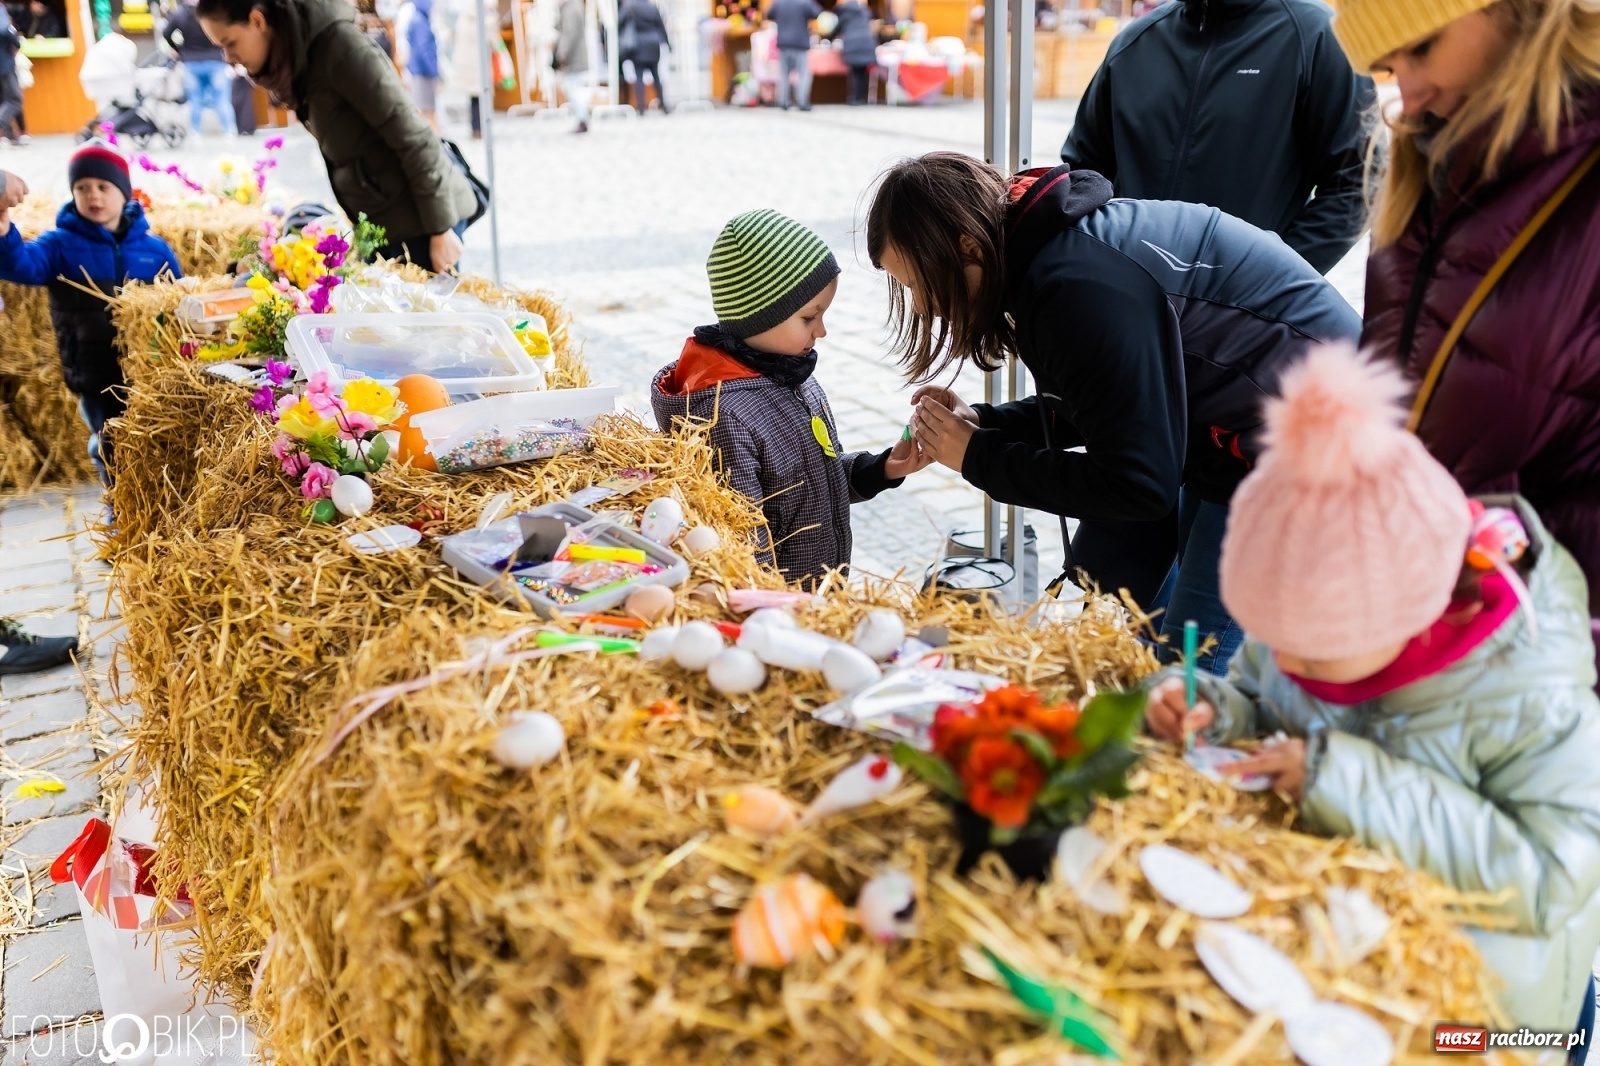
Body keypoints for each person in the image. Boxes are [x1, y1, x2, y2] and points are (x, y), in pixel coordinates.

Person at [1146, 344, 1600, 1057]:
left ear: (1407, 617)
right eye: (1272, 638)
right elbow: (1264, 703)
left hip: (1488, 1016)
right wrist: (1203, 705)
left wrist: (1339, 779)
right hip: (1359, 967)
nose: (1285, 662)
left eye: (1310, 651)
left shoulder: (1529, 690)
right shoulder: (1319, 632)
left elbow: (1553, 877)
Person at [868, 152, 1360, 673]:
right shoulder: (1054, 253)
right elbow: (1112, 403)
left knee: (1188, 668)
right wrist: (989, 424)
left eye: (917, 283)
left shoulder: (1075, 286)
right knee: (1159, 630)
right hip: (1238, 437)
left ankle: (1189, 745)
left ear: (967, 247)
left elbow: (1138, 483)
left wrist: (979, 457)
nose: (919, 306)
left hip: (1312, 440)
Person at [1330, 1, 1600, 655]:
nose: (1407, 92)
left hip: (1553, 657)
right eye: (1389, 65)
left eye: (1422, 47)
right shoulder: (1427, 166)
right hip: (1443, 635)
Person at [651, 210, 930, 586]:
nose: (823, 330)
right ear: (758, 317)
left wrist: (881, 469)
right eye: (809, 317)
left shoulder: (793, 378)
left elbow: (814, 484)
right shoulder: (725, 418)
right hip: (780, 611)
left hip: (821, 596)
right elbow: (747, 547)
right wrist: (782, 613)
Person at [1059, 0, 1376, 276]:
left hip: (1247, 320)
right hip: (1127, 305)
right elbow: (1082, 177)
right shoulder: (1134, 43)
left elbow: (1359, 183)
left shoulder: (1317, 34)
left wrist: (1272, 279)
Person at [197, 0, 479, 273]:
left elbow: (413, 134)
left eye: (229, 42)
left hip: (422, 222)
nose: (228, 57)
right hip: (387, 223)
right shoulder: (302, 58)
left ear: (258, 21)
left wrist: (440, 230)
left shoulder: (339, 48)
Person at [0, 147, 182, 488]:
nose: (93, 195)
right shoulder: (59, 245)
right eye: (82, 187)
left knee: (158, 443)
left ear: (123, 193)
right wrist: (4, 234)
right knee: (111, 442)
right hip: (94, 369)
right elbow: (19, 266)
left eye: (103, 186)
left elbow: (181, 301)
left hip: (150, 371)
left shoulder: (154, 250)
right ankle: (120, 509)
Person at [164, 0, 239, 136]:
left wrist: (179, 50)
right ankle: (229, 131)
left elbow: (166, 32)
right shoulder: (213, 11)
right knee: (222, 99)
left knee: (195, 100)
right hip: (216, 60)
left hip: (192, 61)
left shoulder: (180, 13)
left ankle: (195, 133)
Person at [618, 0, 668, 114]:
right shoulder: (652, 7)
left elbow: (620, 22)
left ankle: (641, 106)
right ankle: (663, 104)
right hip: (653, 43)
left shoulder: (629, 7)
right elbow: (660, 25)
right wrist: (667, 44)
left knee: (639, 77)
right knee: (656, 76)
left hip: (638, 43)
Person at [767, 0, 818, 110]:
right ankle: (802, 102)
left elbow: (769, 14)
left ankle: (783, 101)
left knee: (784, 74)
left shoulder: (779, 2)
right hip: (800, 42)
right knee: (803, 74)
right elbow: (817, 13)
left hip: (783, 42)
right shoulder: (804, 2)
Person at [552, 0, 588, 133]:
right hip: (575, 56)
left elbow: (568, 33)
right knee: (573, 89)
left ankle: (582, 119)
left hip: (574, 58)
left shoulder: (570, 9)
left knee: (573, 89)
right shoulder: (573, 6)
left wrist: (561, 55)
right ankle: (582, 119)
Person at [404, 0, 440, 130]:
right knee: (427, 110)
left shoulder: (417, 19)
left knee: (424, 109)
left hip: (418, 70)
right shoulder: (420, 22)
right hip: (423, 72)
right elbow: (423, 50)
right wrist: (433, 71)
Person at [832, 0, 874, 106]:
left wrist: (828, 38)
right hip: (866, 42)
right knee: (862, 72)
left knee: (854, 72)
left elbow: (836, 30)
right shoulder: (864, 11)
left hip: (852, 43)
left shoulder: (844, 13)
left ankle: (854, 98)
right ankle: (861, 97)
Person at [0, 3, 21, 147]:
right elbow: (5, 30)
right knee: (14, 99)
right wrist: (16, 44)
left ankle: (10, 136)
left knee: (4, 100)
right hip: (4, 63)